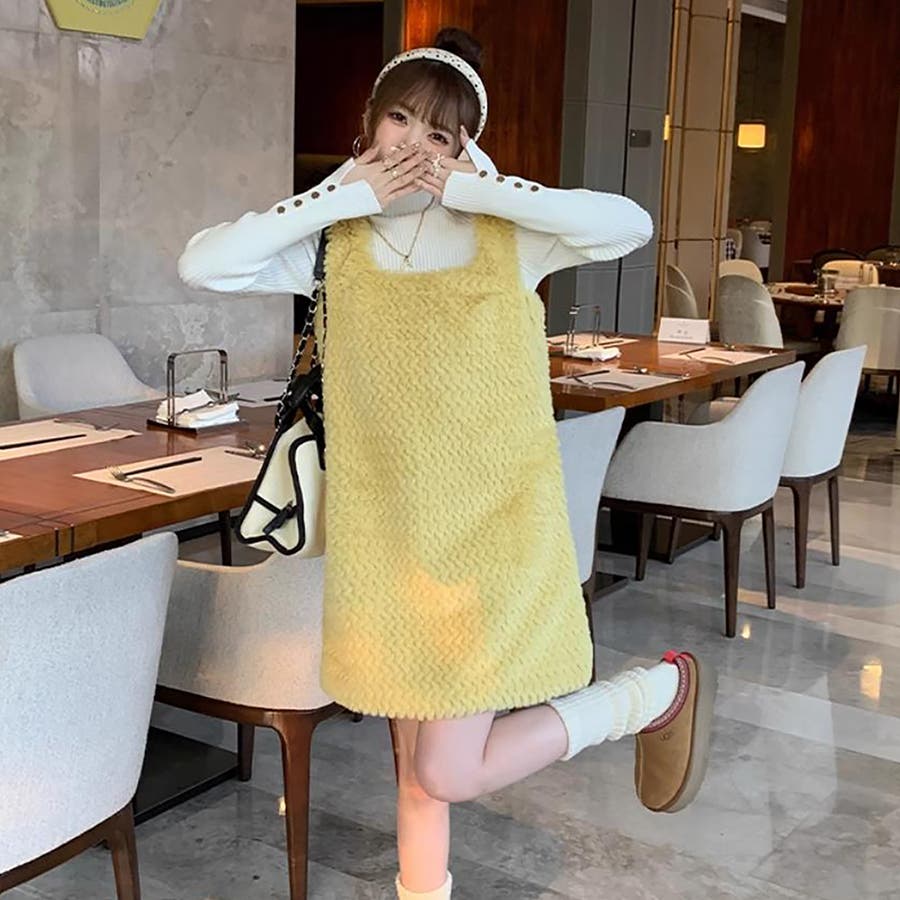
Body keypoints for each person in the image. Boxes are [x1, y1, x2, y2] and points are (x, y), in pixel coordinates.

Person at [178, 28, 717, 900]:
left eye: (441, 133)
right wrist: (337, 193)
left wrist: (477, 185)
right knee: (413, 771)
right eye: (400, 119)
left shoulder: (508, 234)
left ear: (467, 145)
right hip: (385, 543)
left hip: (491, 534)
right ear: (369, 122)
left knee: (447, 769)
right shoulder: (334, 241)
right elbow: (204, 263)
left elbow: (629, 224)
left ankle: (653, 696)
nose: (414, 145)